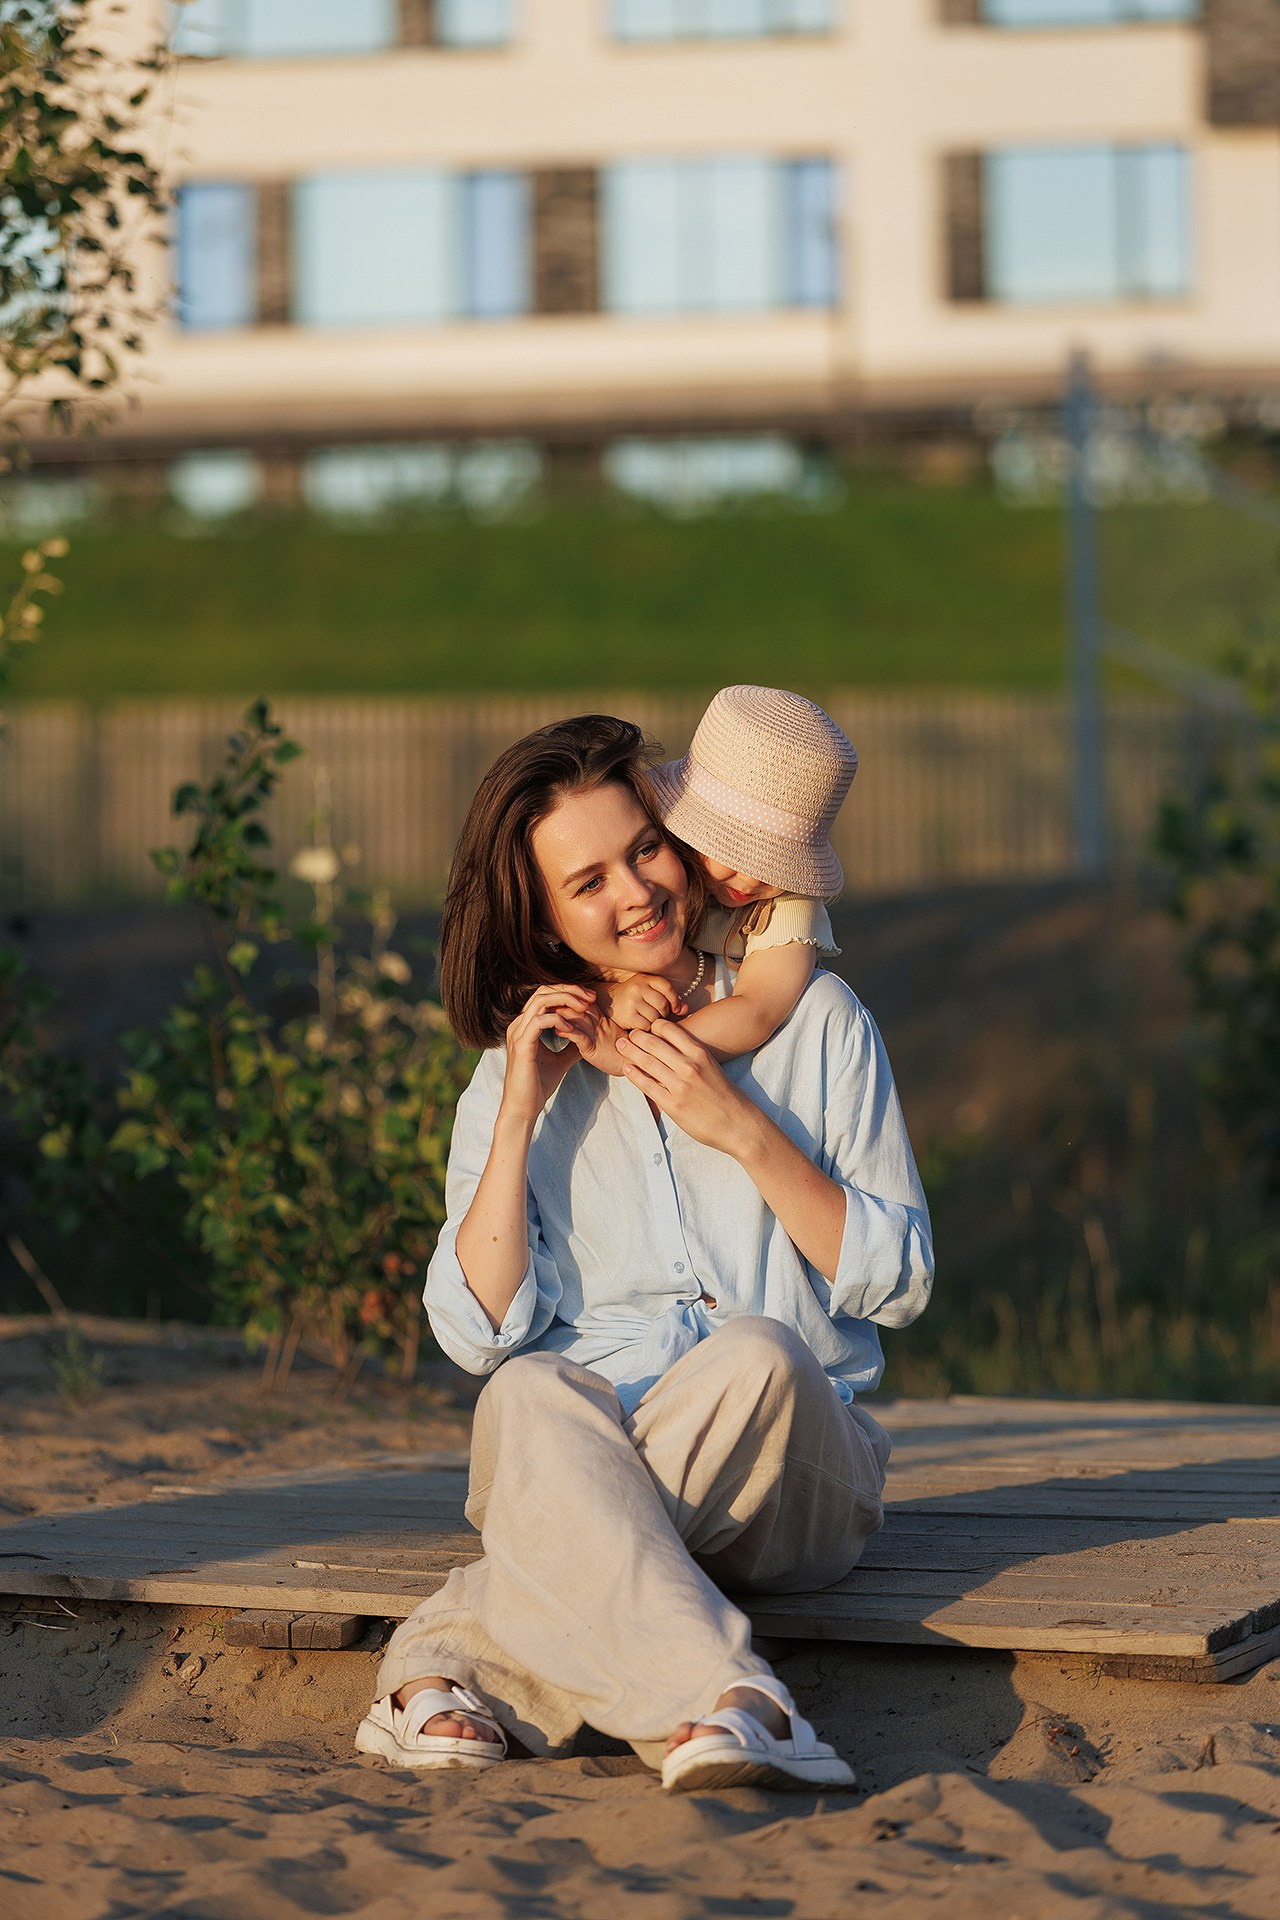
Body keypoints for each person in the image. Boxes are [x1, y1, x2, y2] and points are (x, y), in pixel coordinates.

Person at [354, 713, 933, 1793]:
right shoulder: (519, 1071)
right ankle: (728, 1700)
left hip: (792, 1473)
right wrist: (520, 1111)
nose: (637, 892)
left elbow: (899, 1280)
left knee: (759, 1352)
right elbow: (476, 1335)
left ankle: (443, 1657)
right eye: (588, 883)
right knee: (528, 1392)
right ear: (543, 916)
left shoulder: (815, 1019)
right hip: (593, 1439)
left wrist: (743, 1131)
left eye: (645, 849)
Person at [600, 684, 856, 1060]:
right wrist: (609, 995)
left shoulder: (788, 906)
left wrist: (631, 1055)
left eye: (777, 864)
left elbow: (757, 1011)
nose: (751, 879)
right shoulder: (651, 871)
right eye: (735, 852)